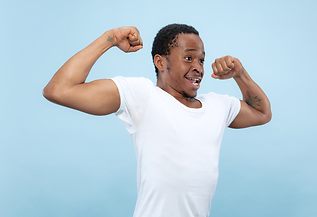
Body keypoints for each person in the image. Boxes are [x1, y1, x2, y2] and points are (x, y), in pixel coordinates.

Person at [43, 24, 272, 217]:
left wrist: (240, 74)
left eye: (201, 60)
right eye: (188, 58)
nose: (198, 68)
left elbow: (262, 113)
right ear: (160, 62)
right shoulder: (142, 96)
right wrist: (110, 38)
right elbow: (58, 90)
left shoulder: (217, 105)